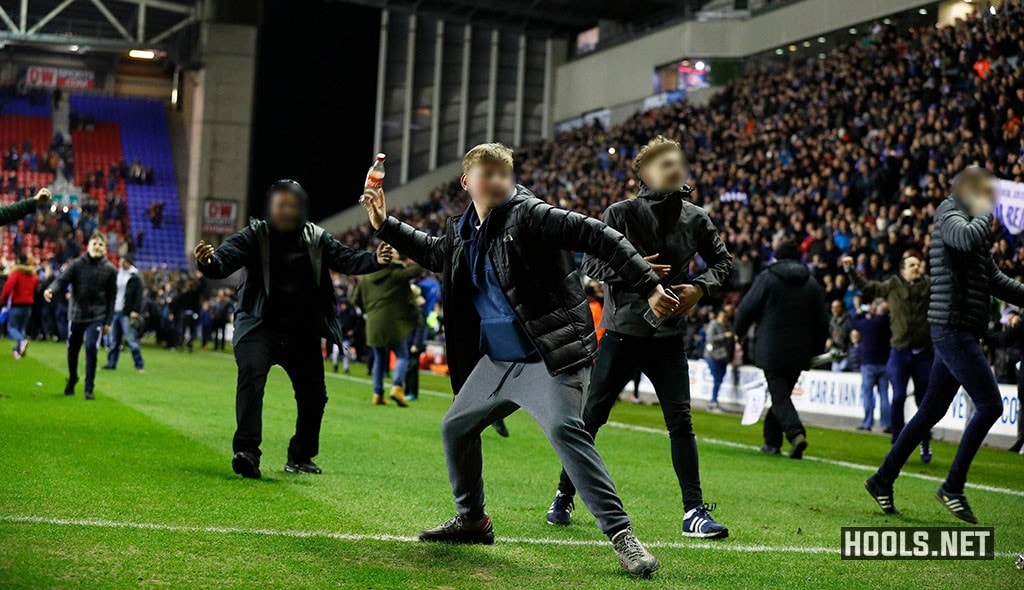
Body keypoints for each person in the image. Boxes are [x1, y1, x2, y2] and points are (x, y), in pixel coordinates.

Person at [362, 143, 675, 577]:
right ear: (466, 181)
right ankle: (473, 519)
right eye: (486, 173)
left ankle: (623, 537)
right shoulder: (463, 230)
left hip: (550, 355)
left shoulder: (532, 215)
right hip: (498, 360)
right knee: (455, 427)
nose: (495, 180)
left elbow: (598, 235)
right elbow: (435, 252)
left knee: (567, 431)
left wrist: (647, 284)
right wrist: (384, 223)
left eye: (503, 173)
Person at [547, 135, 733, 539]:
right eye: (666, 161)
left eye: (679, 160)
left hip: (668, 337)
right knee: (590, 419)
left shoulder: (697, 218)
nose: (676, 166)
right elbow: (592, 264)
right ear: (646, 173)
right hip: (622, 334)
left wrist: (699, 288)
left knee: (680, 423)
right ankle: (563, 494)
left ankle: (693, 512)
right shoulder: (620, 213)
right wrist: (634, 269)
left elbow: (723, 262)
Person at [194, 179, 391, 479]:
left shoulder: (317, 238)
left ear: (303, 209)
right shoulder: (254, 234)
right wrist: (208, 263)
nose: (288, 210)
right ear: (270, 208)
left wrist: (374, 260)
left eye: (293, 204)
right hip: (258, 325)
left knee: (314, 395)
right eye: (281, 204)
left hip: (302, 331)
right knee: (251, 377)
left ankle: (300, 455)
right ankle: (247, 451)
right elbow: (224, 261)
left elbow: (347, 259)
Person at [865, 167, 1024, 524]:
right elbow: (966, 239)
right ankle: (953, 486)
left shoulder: (969, 221)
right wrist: (985, 211)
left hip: (958, 329)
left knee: (928, 412)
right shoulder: (950, 214)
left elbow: (994, 279)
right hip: (953, 329)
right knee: (990, 404)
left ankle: (881, 479)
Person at [733, 240, 829, 459]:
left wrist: (738, 333)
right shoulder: (812, 284)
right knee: (781, 394)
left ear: (776, 257)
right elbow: (822, 321)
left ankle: (796, 434)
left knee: (779, 396)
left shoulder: (767, 278)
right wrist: (816, 349)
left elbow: (746, 309)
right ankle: (771, 442)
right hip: (800, 351)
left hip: (771, 348)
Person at [843, 252, 933, 462]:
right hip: (899, 351)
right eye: (912, 265)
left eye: (918, 264)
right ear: (903, 270)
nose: (917, 268)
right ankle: (897, 443)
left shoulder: (930, 285)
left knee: (924, 401)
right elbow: (867, 288)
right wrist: (850, 271)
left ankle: (924, 440)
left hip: (923, 352)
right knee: (898, 396)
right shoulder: (892, 285)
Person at [44, 233, 117, 400]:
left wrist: (108, 321)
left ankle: (89, 387)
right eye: (95, 243)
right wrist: (51, 290)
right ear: (88, 245)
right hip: (77, 313)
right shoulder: (77, 265)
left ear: (105, 248)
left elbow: (111, 297)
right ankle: (72, 378)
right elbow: (62, 281)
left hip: (97, 315)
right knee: (73, 350)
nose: (97, 246)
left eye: (101, 244)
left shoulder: (111, 270)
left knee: (91, 348)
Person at [351, 252, 423, 406]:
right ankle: (397, 386)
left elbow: (355, 299)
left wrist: (369, 311)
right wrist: (420, 255)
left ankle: (377, 394)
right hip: (393, 323)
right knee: (402, 355)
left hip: (373, 323)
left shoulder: (365, 276)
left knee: (379, 358)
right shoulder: (395, 273)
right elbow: (417, 270)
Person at [850, 300, 891, 432]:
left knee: (868, 395)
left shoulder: (867, 323)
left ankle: (867, 423)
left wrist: (859, 311)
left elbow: (853, 323)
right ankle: (886, 424)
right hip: (884, 363)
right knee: (884, 395)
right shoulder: (886, 322)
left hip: (868, 363)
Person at [103, 254, 144, 372]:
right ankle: (111, 363)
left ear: (128, 263)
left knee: (131, 339)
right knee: (114, 339)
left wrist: (135, 310)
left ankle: (139, 364)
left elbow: (138, 296)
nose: (120, 262)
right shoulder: (117, 274)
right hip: (115, 310)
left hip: (126, 312)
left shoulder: (134, 277)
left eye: (122, 261)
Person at [2, 254, 39, 358]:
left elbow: (8, 288)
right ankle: (18, 352)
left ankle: (22, 341)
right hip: (28, 305)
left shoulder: (16, 274)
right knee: (21, 327)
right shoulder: (32, 275)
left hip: (17, 304)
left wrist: (3, 300)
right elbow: (36, 286)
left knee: (12, 327)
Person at [705, 309, 733, 412]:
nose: (724, 319)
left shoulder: (727, 326)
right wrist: (724, 336)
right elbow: (710, 339)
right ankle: (713, 401)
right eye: (722, 317)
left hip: (723, 356)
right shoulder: (713, 325)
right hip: (713, 356)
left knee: (719, 379)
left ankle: (714, 400)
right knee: (717, 379)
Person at [827, 300, 851, 371]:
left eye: (837, 307)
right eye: (833, 307)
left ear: (842, 308)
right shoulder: (831, 321)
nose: (834, 310)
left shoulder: (848, 321)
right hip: (835, 355)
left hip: (846, 356)